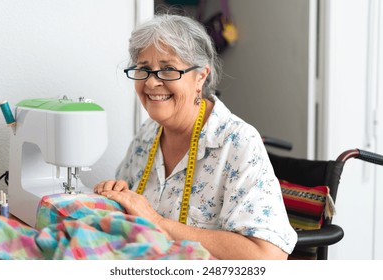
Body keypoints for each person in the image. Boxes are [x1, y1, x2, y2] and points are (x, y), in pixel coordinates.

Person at [93, 13, 297, 260]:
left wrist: (159, 222)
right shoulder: (148, 134)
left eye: (168, 69)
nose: (151, 82)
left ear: (200, 76)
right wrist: (120, 193)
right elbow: (132, 212)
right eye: (144, 69)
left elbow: (268, 257)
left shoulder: (238, 142)